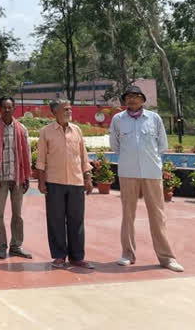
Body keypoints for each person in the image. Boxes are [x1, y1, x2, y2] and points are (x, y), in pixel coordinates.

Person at [109, 85, 184, 272]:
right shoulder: (118, 120)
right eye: (128, 97)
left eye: (136, 96)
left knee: (158, 215)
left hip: (151, 173)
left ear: (143, 100)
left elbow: (162, 145)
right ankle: (127, 253)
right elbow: (115, 145)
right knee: (128, 215)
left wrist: (148, 159)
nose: (132, 100)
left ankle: (167, 258)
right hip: (128, 173)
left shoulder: (154, 118)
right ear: (124, 101)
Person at [36, 99, 94, 269]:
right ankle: (59, 256)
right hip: (54, 182)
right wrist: (41, 182)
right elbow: (41, 159)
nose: (69, 111)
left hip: (76, 181)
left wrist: (88, 177)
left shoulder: (77, 130)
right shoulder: (45, 132)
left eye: (70, 108)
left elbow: (83, 156)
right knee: (56, 220)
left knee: (77, 220)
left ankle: (77, 257)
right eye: (65, 109)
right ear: (55, 112)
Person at [0, 97, 33, 260]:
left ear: (14, 109)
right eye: (4, 107)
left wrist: (27, 177)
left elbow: (27, 153)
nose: (7, 110)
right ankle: (2, 246)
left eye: (10, 107)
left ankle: (16, 246)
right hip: (1, 178)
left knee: (17, 214)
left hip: (18, 177)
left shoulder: (21, 129)